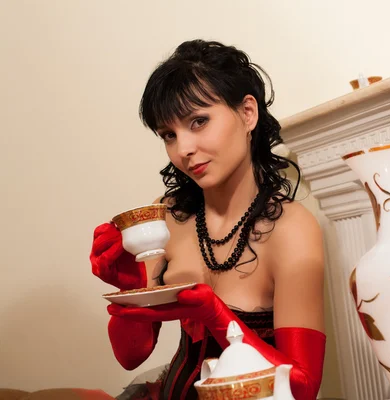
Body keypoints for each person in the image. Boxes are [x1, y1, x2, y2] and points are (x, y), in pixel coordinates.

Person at [89, 39, 326, 400]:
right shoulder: (168, 216)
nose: (183, 149)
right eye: (169, 135)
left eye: (198, 122)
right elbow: (129, 355)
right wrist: (127, 287)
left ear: (248, 113)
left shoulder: (292, 229)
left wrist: (216, 315)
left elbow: (304, 387)